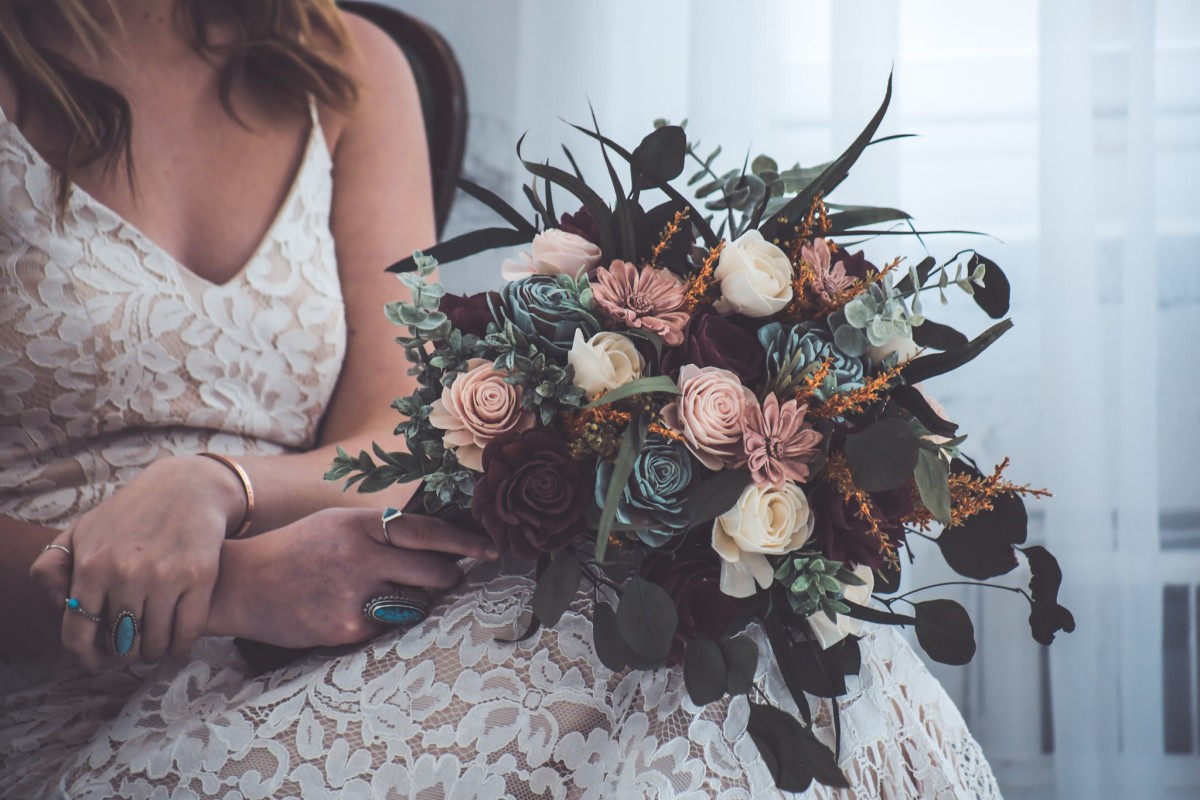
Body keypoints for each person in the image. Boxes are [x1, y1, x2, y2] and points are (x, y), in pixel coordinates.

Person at [0, 2, 1003, 797]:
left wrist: (215, 488)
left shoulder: (342, 63)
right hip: (61, 686)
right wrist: (231, 585)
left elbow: (381, 425)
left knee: (722, 638)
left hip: (295, 612)